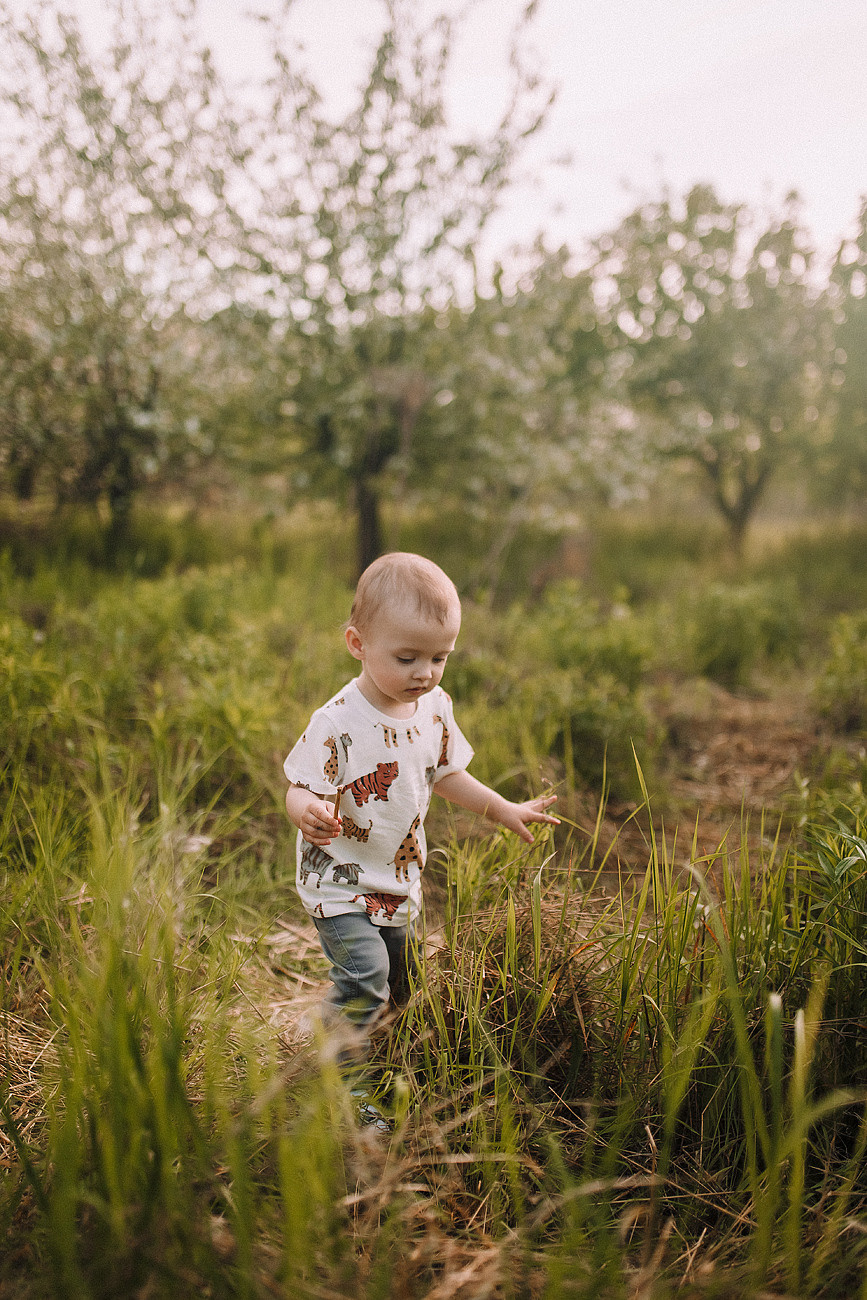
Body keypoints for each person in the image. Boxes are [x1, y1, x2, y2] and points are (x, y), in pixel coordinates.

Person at [283, 551, 559, 1056]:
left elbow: (448, 772)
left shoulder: (435, 708)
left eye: (440, 658)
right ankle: (342, 1082)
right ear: (358, 644)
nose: (425, 673)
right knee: (366, 977)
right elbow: (298, 786)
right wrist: (306, 811)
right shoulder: (337, 721)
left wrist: (503, 808)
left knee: (404, 986)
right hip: (339, 881)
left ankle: (369, 1048)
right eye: (407, 658)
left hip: (398, 881)